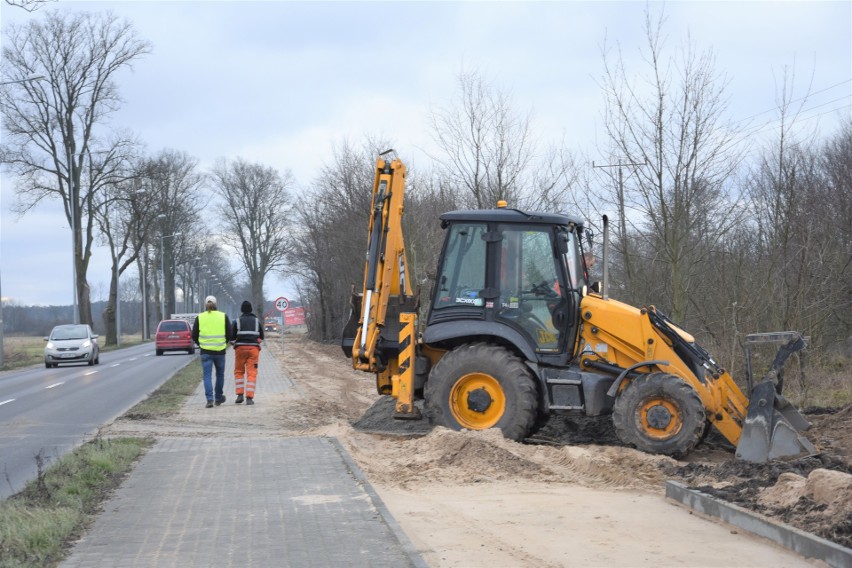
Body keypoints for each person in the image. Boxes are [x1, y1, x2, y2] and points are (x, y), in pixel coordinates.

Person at [192, 295, 233, 408]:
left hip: (205, 352)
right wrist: (224, 343)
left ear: (205, 304)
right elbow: (230, 333)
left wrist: (200, 344)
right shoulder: (223, 316)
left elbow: (194, 334)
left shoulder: (200, 317)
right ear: (216, 304)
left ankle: (209, 399)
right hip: (220, 351)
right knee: (220, 375)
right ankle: (218, 398)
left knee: (207, 376)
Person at [231, 300, 264, 405]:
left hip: (240, 350)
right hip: (253, 350)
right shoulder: (256, 321)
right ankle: (249, 398)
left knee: (239, 371)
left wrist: (234, 343)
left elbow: (232, 337)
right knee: (252, 373)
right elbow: (262, 337)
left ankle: (239, 395)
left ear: (242, 310)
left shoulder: (237, 321)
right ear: (251, 310)